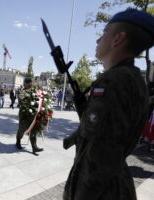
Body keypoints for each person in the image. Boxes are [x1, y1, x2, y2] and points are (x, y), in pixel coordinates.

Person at [63, 9, 154, 200]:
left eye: (104, 33)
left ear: (118, 38)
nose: (98, 40)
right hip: (116, 183)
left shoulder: (113, 81)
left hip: (101, 192)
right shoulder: (134, 78)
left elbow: (101, 156)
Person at [15, 77, 43, 155]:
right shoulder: (22, 91)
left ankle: (34, 147)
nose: (30, 84)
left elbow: (39, 98)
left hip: (34, 114)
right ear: (25, 83)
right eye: (28, 82)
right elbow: (22, 102)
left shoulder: (35, 91)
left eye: (31, 82)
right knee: (22, 129)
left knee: (33, 129)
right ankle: (18, 141)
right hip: (24, 114)